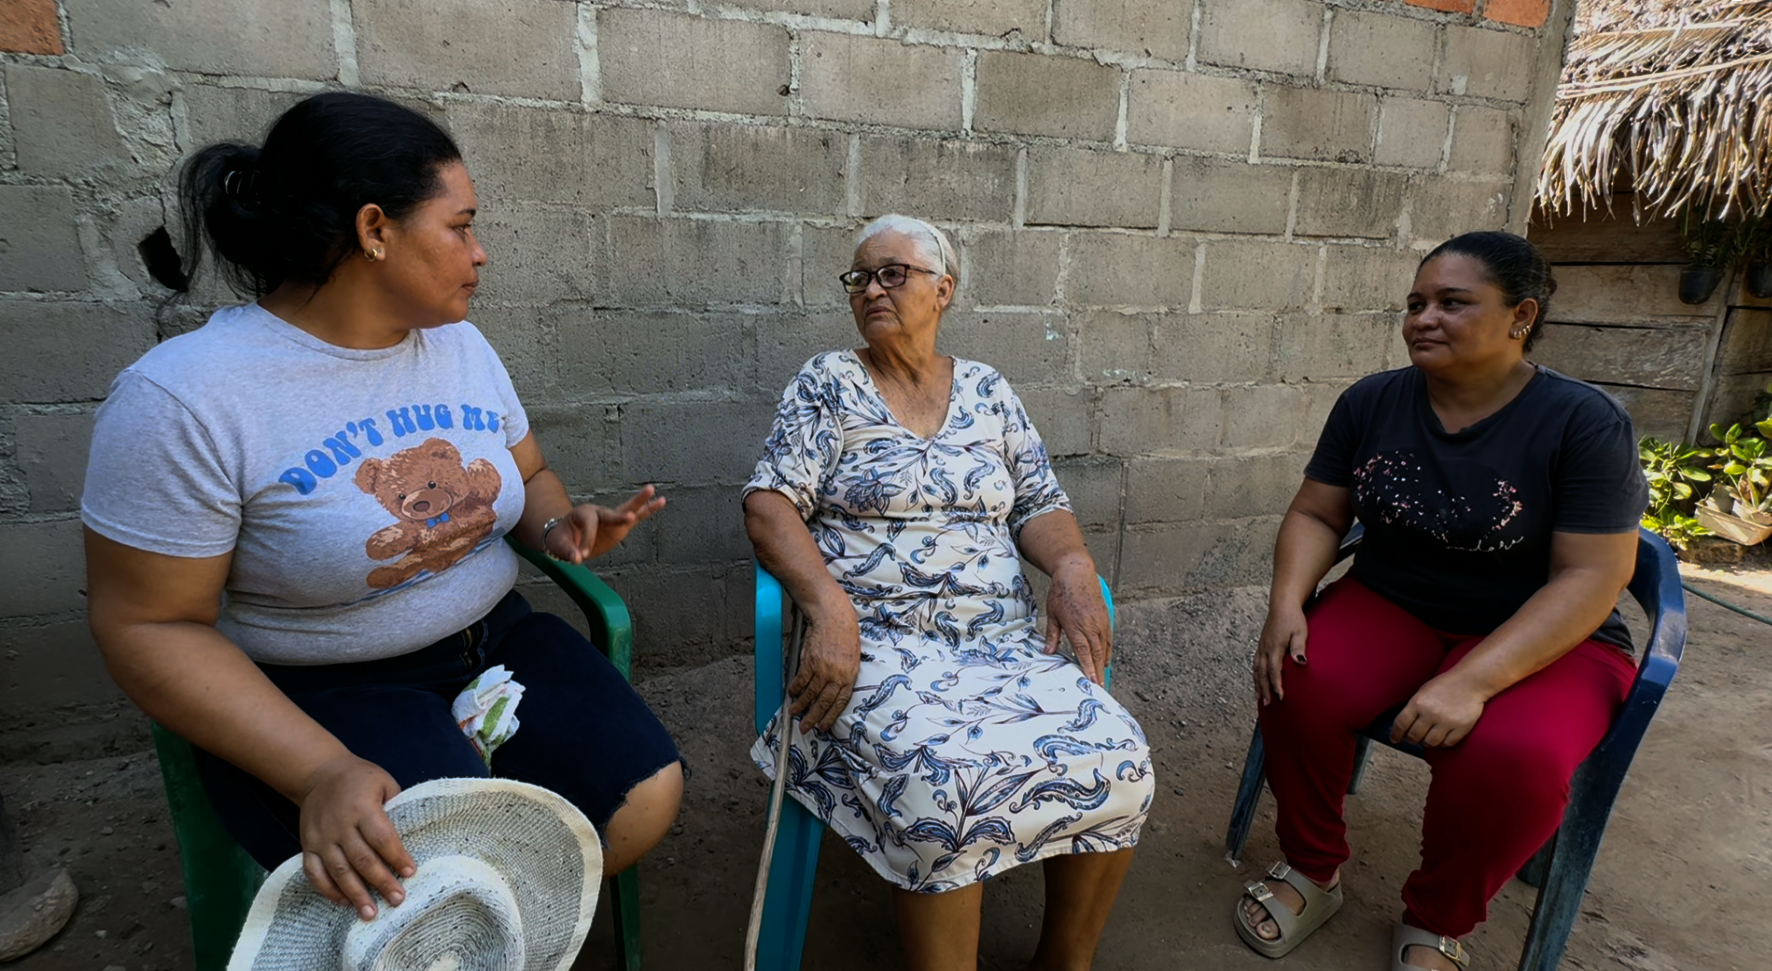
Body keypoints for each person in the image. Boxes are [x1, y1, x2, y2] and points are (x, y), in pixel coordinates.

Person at [81, 92, 683, 929]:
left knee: (642, 796)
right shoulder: (187, 398)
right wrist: (320, 770)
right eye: (460, 225)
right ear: (375, 229)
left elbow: (529, 471)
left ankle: (490, 931)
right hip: (322, 692)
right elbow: (146, 626)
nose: (482, 252)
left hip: (495, 643)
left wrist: (556, 523)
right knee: (445, 872)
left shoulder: (458, 344)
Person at [744, 214, 1153, 971]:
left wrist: (1069, 567)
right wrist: (830, 608)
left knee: (1123, 759)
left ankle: (1065, 961)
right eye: (860, 277)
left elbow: (1040, 502)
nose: (871, 288)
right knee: (943, 787)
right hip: (877, 648)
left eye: (891, 273)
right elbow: (768, 504)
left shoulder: (989, 392)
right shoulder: (829, 383)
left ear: (945, 289)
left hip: (1001, 644)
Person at [1232, 231, 1648, 971]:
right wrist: (1287, 602)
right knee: (1295, 672)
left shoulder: (1584, 424)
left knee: (1511, 755)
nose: (1423, 318)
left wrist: (1473, 680)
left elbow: (1591, 577)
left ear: (1521, 315)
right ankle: (1313, 867)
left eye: (1453, 303)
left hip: (1553, 633)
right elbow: (1318, 513)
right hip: (1395, 601)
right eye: (1416, 303)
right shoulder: (1373, 401)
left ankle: (1436, 919)